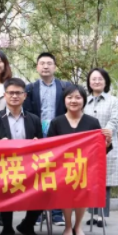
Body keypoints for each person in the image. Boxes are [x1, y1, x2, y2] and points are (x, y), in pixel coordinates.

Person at [47, 84, 111, 235]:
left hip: (85, 168)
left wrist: (107, 142)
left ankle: (78, 226)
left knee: (83, 191)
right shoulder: (57, 122)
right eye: (69, 97)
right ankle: (68, 226)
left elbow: (100, 149)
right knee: (66, 191)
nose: (73, 101)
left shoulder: (92, 122)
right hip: (62, 168)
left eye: (77, 97)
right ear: (64, 100)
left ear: (84, 100)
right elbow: (48, 147)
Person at [0, 78, 42, 235]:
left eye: (18, 93)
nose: (14, 96)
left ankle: (27, 225)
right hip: (3, 168)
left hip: (30, 167)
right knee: (5, 186)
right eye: (11, 93)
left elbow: (42, 146)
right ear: (5, 95)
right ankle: (7, 228)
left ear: (25, 96)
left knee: (43, 187)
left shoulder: (34, 119)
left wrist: (37, 143)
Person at [24, 52, 71, 226]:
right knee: (37, 173)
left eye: (49, 63)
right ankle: (36, 213)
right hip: (38, 135)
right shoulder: (30, 89)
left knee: (58, 172)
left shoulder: (66, 87)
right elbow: (27, 114)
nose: (45, 66)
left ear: (55, 67)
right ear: (37, 67)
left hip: (59, 134)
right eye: (42, 63)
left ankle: (57, 212)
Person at [84, 68, 118, 227]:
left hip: (107, 145)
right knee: (90, 180)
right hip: (88, 147)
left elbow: (114, 120)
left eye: (100, 79)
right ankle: (92, 214)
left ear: (105, 82)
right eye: (93, 79)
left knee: (105, 181)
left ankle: (101, 216)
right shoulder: (84, 101)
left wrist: (105, 133)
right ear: (89, 82)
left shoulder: (113, 101)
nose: (96, 82)